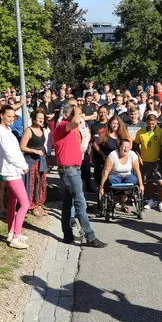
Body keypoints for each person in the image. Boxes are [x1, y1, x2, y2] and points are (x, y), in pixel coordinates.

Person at [52, 104, 107, 248]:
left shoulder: (68, 129)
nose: (76, 116)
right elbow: (76, 121)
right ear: (65, 116)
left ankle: (68, 235)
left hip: (71, 169)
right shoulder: (62, 126)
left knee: (67, 203)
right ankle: (90, 236)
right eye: (72, 114)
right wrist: (76, 109)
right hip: (69, 170)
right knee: (80, 203)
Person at [0, 105, 31, 250]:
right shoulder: (2, 133)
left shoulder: (7, 130)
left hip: (13, 170)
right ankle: (16, 237)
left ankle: (12, 232)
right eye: (8, 116)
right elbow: (10, 154)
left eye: (12, 116)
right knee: (25, 204)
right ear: (2, 115)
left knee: (12, 202)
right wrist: (23, 165)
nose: (11, 119)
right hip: (12, 172)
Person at [135, 114, 162, 211]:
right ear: (146, 122)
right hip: (145, 161)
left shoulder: (161, 132)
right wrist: (139, 157)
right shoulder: (140, 132)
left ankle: (161, 201)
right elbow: (136, 145)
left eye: (153, 124)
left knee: (160, 182)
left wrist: (159, 159)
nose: (151, 126)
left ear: (156, 122)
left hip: (157, 161)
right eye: (149, 124)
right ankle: (151, 200)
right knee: (148, 181)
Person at [20, 109, 49, 217]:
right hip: (31, 161)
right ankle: (31, 206)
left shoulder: (42, 129)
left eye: (42, 118)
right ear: (34, 119)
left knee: (40, 182)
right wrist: (34, 151)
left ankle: (38, 204)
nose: (41, 120)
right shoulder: (29, 130)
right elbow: (22, 147)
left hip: (41, 161)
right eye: (39, 118)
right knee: (31, 183)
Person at [98, 138, 145, 204]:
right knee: (111, 179)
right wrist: (101, 187)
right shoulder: (113, 155)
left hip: (127, 177)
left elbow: (137, 171)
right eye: (124, 147)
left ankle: (124, 201)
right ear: (119, 147)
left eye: (128, 147)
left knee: (133, 178)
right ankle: (116, 198)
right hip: (115, 177)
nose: (126, 149)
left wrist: (141, 185)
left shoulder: (132, 155)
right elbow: (105, 172)